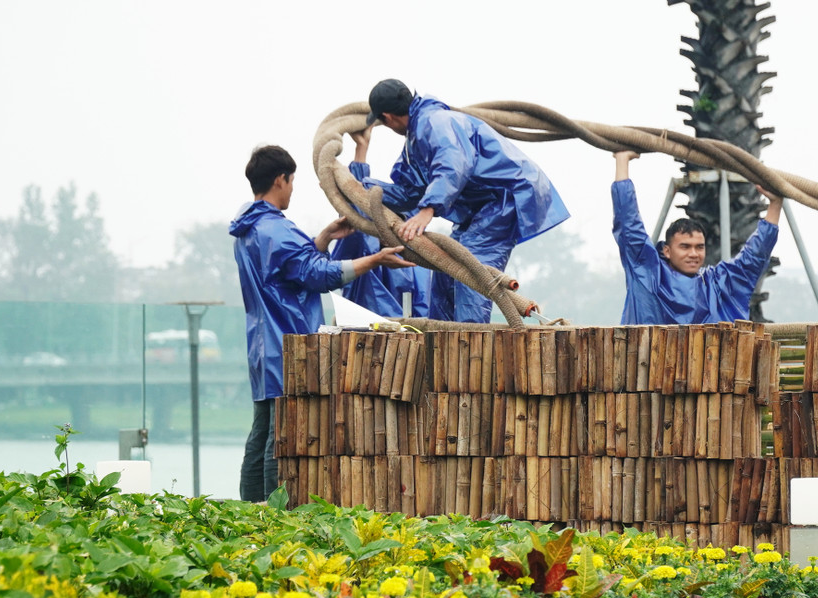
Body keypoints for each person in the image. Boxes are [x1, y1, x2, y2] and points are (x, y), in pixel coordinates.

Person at [231, 144, 413, 502]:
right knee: (277, 438)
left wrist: (326, 237)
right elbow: (318, 275)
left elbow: (290, 269)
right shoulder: (277, 230)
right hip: (288, 341)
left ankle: (248, 511)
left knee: (261, 431)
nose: (292, 189)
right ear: (280, 179)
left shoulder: (248, 225)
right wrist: (374, 259)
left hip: (261, 343)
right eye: (292, 181)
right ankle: (272, 512)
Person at [353, 78, 569, 323]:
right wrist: (359, 186)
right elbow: (410, 192)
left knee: (472, 275)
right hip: (478, 209)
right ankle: (440, 345)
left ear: (387, 117)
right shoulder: (415, 141)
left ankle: (472, 351)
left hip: (502, 200)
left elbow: (454, 163)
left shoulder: (435, 122)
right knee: (446, 273)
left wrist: (428, 209)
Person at [611, 150, 781, 325]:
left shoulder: (717, 284)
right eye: (685, 247)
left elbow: (754, 257)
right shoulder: (649, 273)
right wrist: (622, 161)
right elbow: (629, 226)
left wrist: (775, 204)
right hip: (647, 351)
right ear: (667, 251)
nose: (693, 253)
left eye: (699, 247)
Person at [333, 145, 433, 318]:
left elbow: (425, 313)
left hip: (407, 339)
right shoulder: (363, 258)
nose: (391, 234)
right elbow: (356, 212)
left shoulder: (420, 264)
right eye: (384, 226)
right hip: (362, 338)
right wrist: (360, 149)